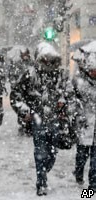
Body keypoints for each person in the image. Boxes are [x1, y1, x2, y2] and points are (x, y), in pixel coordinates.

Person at [10, 42, 76, 195]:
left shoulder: (61, 75)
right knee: (40, 151)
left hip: (56, 120)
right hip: (37, 119)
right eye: (44, 59)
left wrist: (64, 104)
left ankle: (43, 171)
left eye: (50, 60)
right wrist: (25, 112)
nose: (48, 63)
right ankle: (41, 183)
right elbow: (15, 95)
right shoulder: (30, 75)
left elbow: (70, 94)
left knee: (52, 153)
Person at [71, 42, 96, 191]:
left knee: (95, 159)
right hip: (85, 123)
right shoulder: (79, 82)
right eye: (92, 70)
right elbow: (72, 101)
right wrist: (78, 114)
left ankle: (92, 187)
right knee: (82, 155)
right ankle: (79, 174)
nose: (94, 73)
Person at [9, 47, 35, 136]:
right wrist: (14, 83)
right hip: (20, 89)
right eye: (23, 54)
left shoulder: (32, 64)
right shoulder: (17, 64)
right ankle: (22, 124)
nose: (25, 56)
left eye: (26, 54)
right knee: (21, 108)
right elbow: (12, 75)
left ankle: (30, 126)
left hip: (29, 89)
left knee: (30, 108)